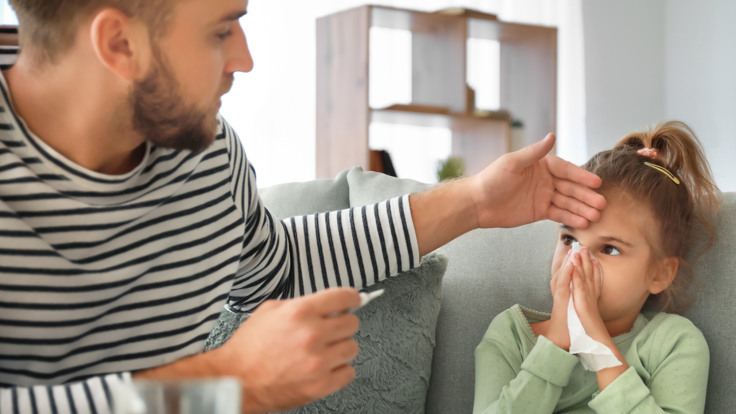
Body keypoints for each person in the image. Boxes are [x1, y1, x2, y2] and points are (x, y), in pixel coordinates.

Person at [0, 0, 606, 413]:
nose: (244, 59)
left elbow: (279, 266)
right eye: (220, 30)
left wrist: (474, 201)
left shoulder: (206, 157)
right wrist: (223, 384)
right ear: (119, 42)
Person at [472, 121, 721, 413]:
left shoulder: (674, 343)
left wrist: (599, 348)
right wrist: (555, 345)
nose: (577, 260)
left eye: (609, 249)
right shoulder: (512, 334)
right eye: (569, 238)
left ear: (660, 274)